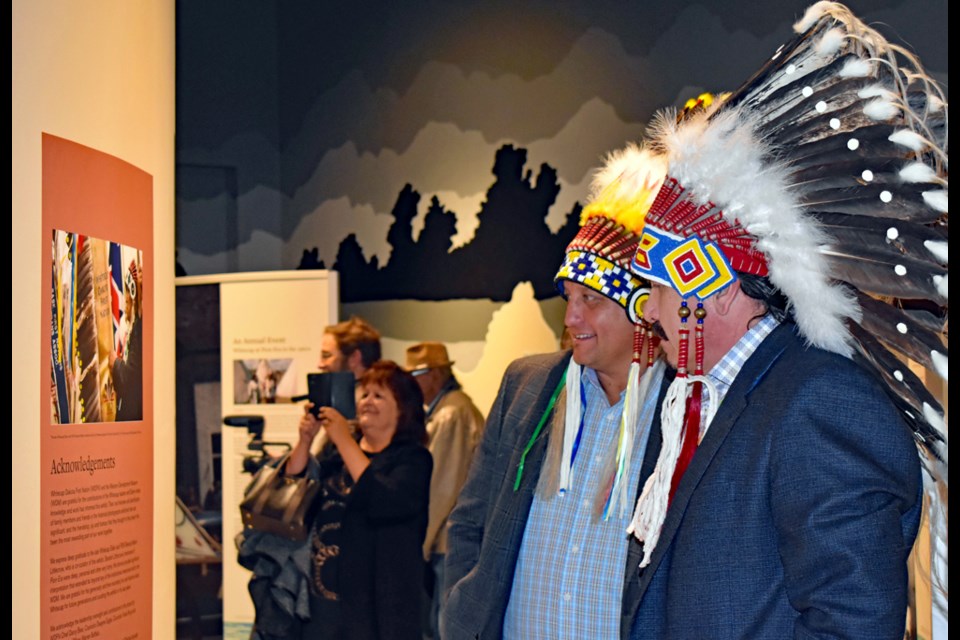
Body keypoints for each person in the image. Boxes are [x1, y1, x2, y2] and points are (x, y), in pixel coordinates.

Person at [596, 5, 947, 637]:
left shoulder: (821, 402)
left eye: (656, 287)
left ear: (711, 283)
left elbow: (853, 624)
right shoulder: (696, 401)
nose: (647, 310)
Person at [441, 150, 669, 640]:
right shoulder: (528, 387)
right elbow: (470, 522)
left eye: (591, 299)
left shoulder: (683, 407)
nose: (571, 319)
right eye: (568, 298)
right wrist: (460, 613)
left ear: (643, 307)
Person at [253, 360, 433, 640]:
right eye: (365, 394)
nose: (367, 402)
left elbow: (383, 499)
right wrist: (305, 441)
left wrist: (344, 440)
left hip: (377, 608)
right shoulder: (336, 453)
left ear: (403, 409)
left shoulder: (412, 459)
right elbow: (292, 490)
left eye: (379, 395)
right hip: (319, 602)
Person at [403, 342, 485, 640]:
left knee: (442, 625)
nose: (410, 382)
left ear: (436, 374)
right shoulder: (446, 410)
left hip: (447, 542)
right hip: (445, 540)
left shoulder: (452, 414)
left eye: (417, 372)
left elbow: (441, 486)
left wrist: (420, 543)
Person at [311, 315, 382, 453]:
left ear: (354, 358)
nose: (320, 365)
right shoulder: (345, 398)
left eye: (327, 356)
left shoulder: (362, 404)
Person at [110, 259, 143, 421]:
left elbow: (129, 381)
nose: (127, 301)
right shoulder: (135, 324)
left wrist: (115, 363)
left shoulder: (140, 327)